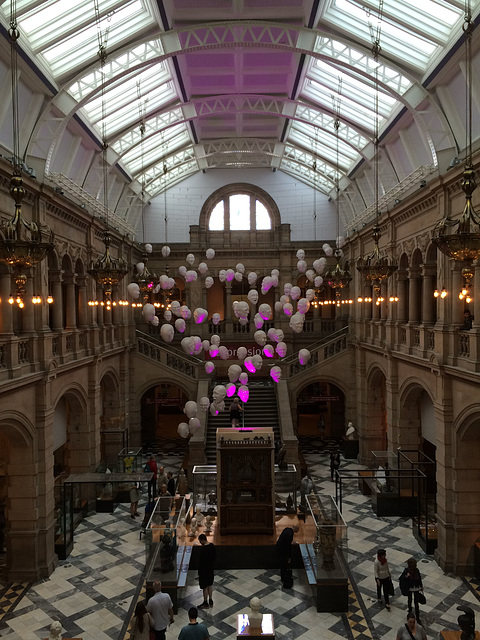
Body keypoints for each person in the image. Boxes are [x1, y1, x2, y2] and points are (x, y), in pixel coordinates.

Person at [400, 557, 424, 623]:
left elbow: (419, 578)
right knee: (409, 600)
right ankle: (410, 612)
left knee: (416, 602)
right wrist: (406, 576)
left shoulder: (417, 570)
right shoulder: (406, 570)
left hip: (416, 587)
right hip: (410, 588)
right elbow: (401, 578)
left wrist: (421, 586)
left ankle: (417, 617)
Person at [197, 533, 216, 609]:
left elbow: (201, 562)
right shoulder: (212, 546)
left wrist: (199, 572)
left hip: (204, 571)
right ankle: (211, 600)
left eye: (200, 541)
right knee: (210, 585)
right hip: (210, 569)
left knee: (205, 587)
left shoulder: (203, 550)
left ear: (202, 540)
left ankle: (205, 602)